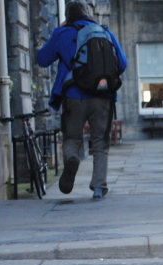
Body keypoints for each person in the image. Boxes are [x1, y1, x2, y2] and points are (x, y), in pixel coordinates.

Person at [37, 1, 127, 199]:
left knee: (71, 139)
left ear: (68, 16)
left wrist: (59, 33)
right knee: (100, 142)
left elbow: (42, 59)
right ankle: (98, 186)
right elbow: (122, 63)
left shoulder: (63, 33)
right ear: (87, 13)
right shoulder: (104, 32)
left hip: (73, 96)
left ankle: (72, 159)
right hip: (102, 97)